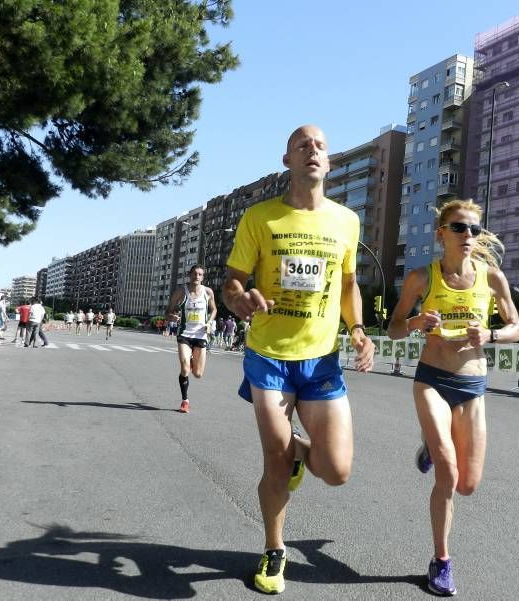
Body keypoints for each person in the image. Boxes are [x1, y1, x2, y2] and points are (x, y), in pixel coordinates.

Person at [223, 125, 375, 595]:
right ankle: (274, 548)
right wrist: (239, 298)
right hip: (269, 355)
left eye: (321, 146)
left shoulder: (347, 221)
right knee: (274, 461)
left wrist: (357, 329)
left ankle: (300, 456)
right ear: (287, 160)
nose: (313, 150)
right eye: (302, 145)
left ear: (328, 164)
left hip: (322, 358)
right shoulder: (259, 217)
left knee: (336, 471)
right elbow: (231, 281)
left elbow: (349, 283)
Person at [388, 198, 519, 596]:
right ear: (441, 233)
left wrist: (492, 335)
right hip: (431, 379)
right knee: (447, 474)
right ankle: (441, 561)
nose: (468, 236)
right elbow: (393, 328)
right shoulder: (421, 278)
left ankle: (432, 444)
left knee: (467, 485)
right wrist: (414, 322)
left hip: (471, 387)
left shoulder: (492, 278)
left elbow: (516, 326)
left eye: (474, 230)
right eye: (460, 228)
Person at [166, 264, 217, 414]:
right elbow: (168, 311)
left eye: (200, 274)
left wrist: (209, 322)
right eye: (194, 273)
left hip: (201, 335)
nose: (197, 276)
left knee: (198, 374)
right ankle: (185, 401)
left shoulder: (208, 292)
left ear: (203, 277)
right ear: (190, 275)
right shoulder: (181, 292)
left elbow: (214, 309)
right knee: (185, 368)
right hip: (185, 334)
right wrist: (172, 316)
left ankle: (193, 360)